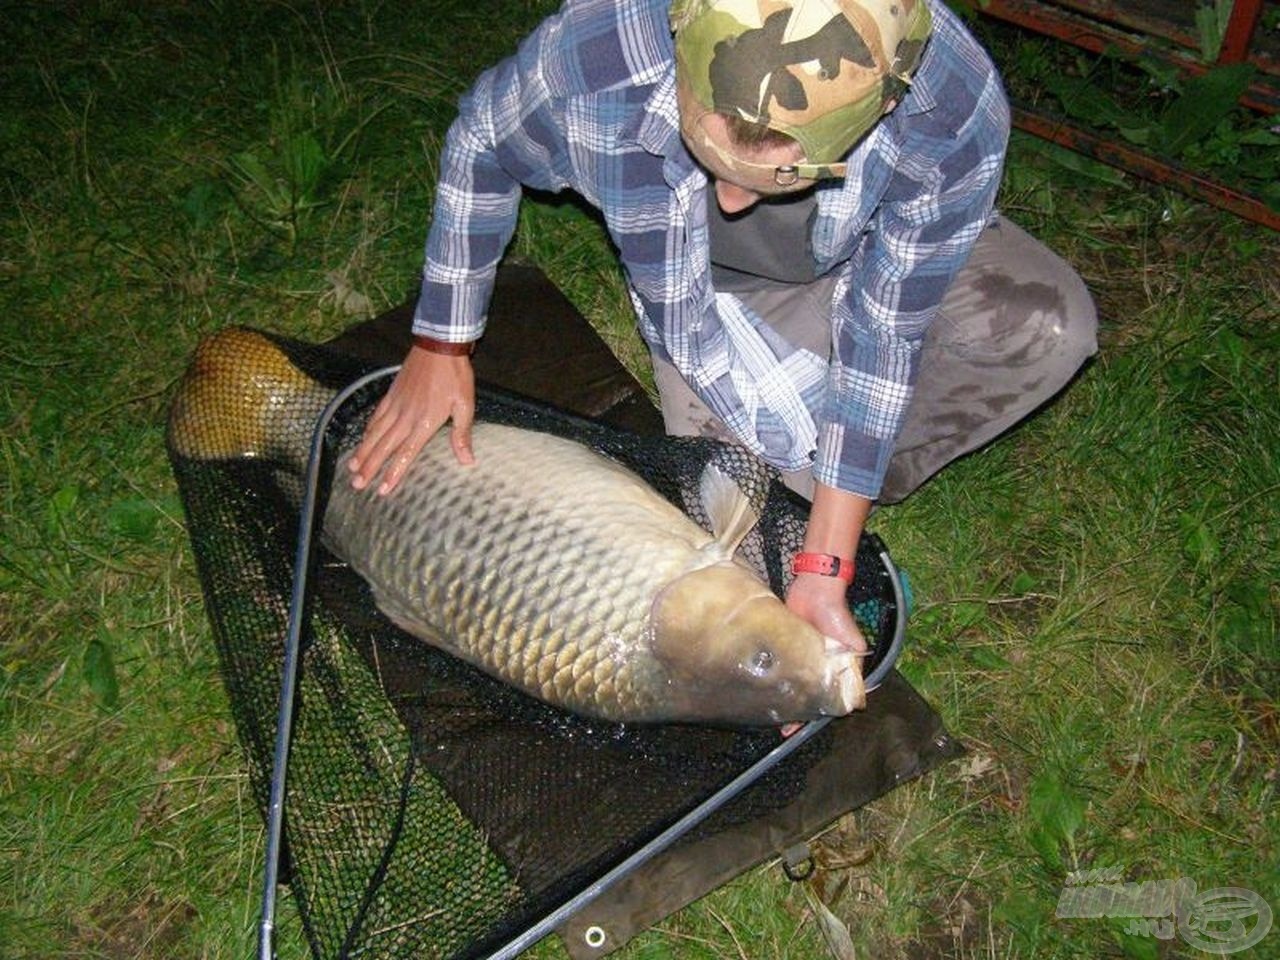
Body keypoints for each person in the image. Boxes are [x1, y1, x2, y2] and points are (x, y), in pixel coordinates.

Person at [347, 0, 1097, 656]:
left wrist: (824, 567)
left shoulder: (949, 104)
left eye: (774, 177)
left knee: (1043, 329)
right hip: (702, 291)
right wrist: (441, 342)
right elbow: (483, 141)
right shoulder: (600, 51)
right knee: (727, 552)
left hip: (862, 253)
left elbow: (885, 335)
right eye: (712, 156)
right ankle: (805, 464)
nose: (733, 201)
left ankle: (822, 474)